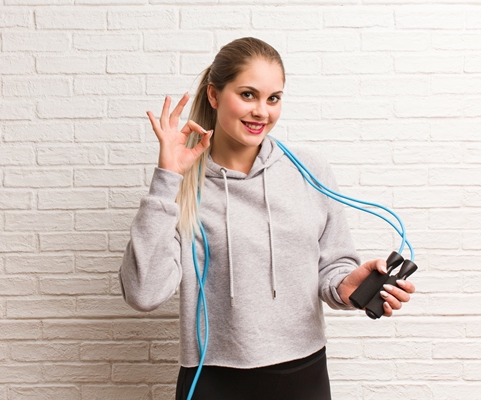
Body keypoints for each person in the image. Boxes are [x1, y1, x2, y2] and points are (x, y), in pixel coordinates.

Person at [119, 37, 415, 399]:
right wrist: (168, 177)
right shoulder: (182, 185)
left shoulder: (310, 170)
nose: (262, 111)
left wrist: (344, 288)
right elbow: (144, 293)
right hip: (213, 379)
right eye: (247, 94)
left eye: (273, 98)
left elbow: (333, 268)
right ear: (214, 95)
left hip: (303, 374)